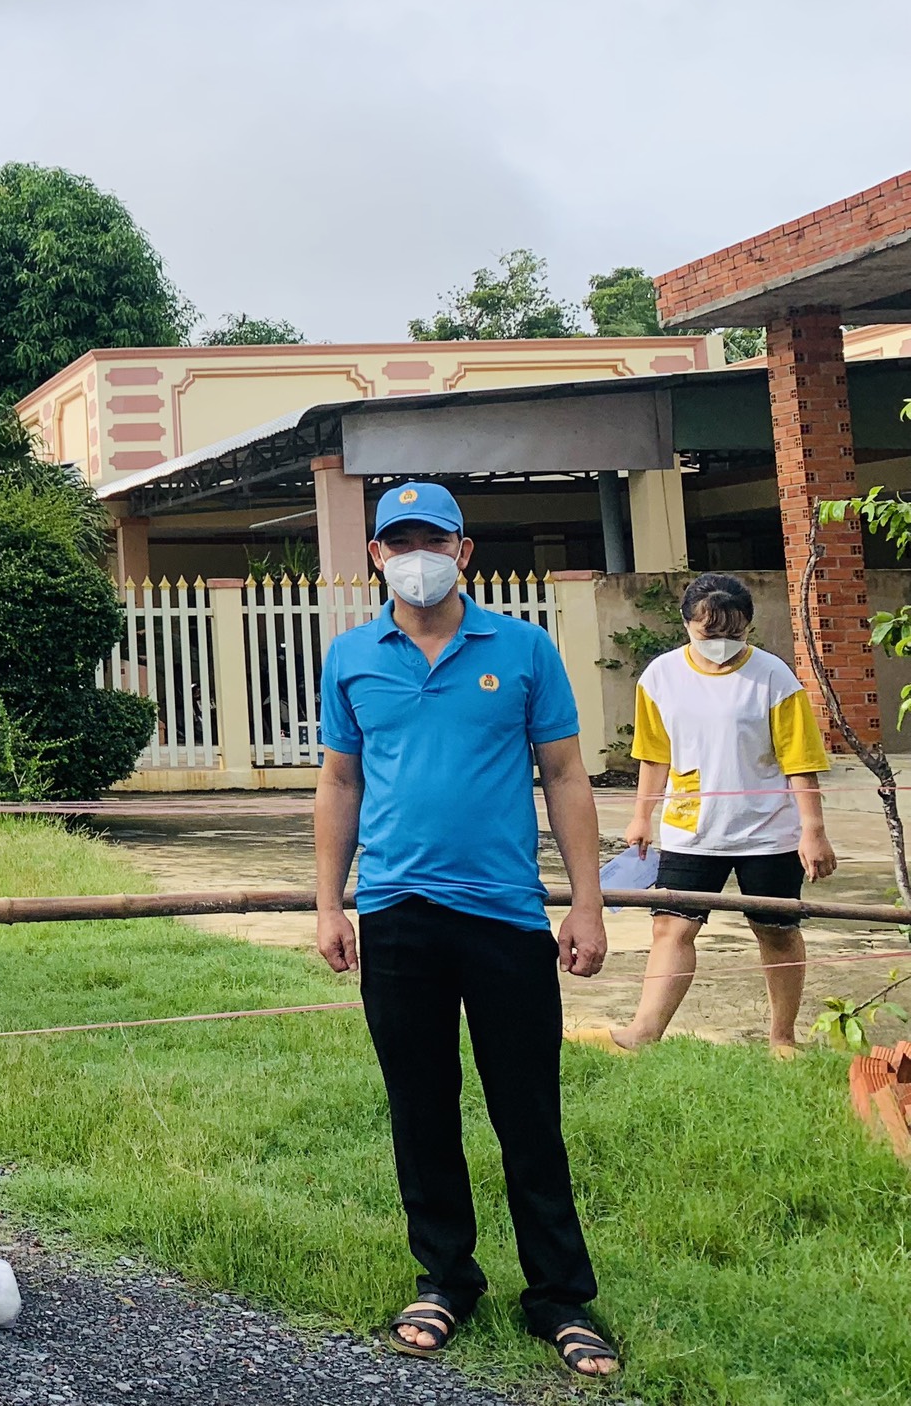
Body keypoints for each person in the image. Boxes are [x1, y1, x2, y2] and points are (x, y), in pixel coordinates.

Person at [314, 482, 620, 1381]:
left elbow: (565, 776)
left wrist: (588, 901)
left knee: (528, 1107)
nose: (416, 555)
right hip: (398, 914)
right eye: (398, 541)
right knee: (420, 1106)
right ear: (375, 556)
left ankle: (560, 1296)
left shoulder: (523, 650)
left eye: (432, 539)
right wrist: (331, 903)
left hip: (504, 914)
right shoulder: (352, 657)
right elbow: (339, 784)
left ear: (465, 550)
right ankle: (445, 1277)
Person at [602, 572, 836, 1054]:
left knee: (776, 929)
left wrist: (812, 831)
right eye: (711, 633)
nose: (722, 644)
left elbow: (801, 761)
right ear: (687, 624)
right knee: (671, 926)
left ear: (748, 627)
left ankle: (782, 1037)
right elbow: (653, 754)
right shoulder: (660, 677)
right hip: (691, 828)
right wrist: (642, 816)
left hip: (769, 832)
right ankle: (643, 1031)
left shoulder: (774, 677)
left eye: (735, 633)